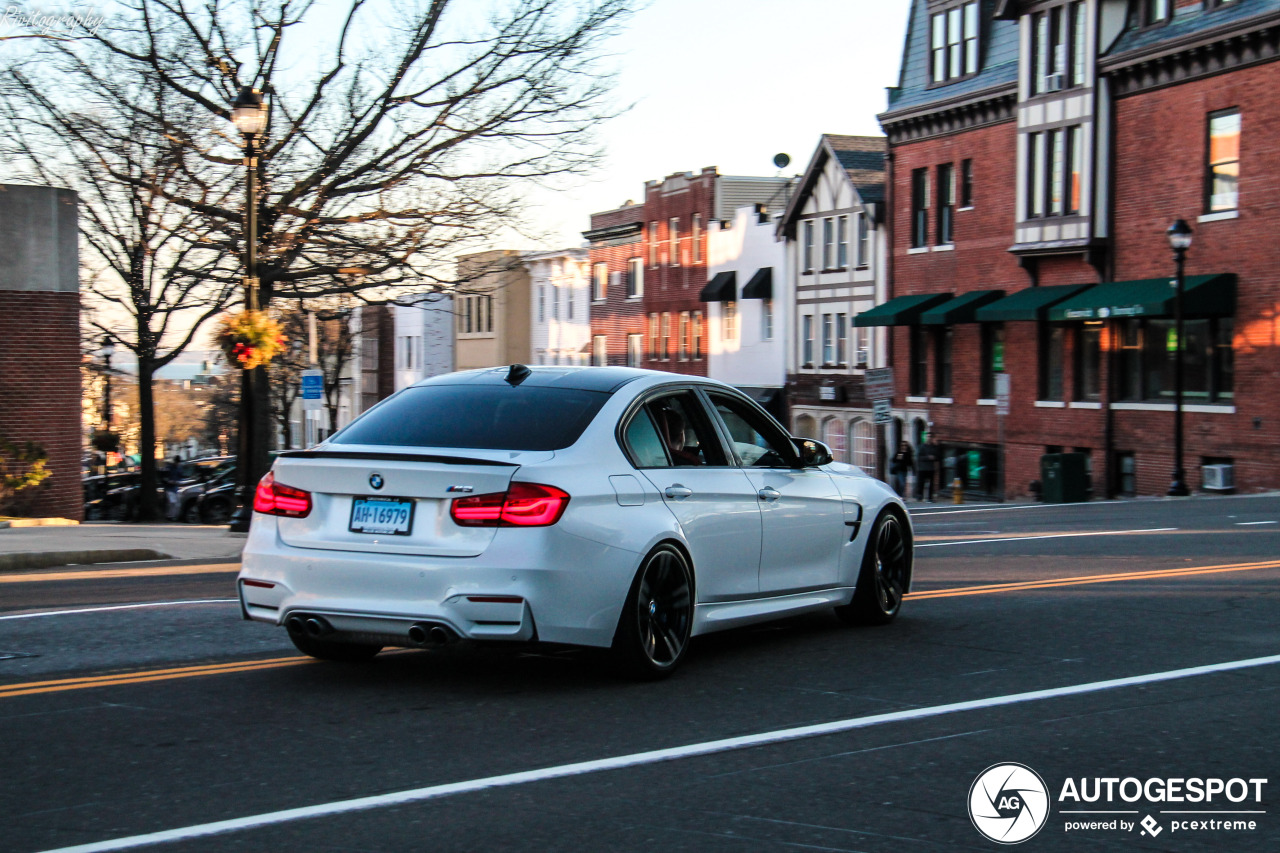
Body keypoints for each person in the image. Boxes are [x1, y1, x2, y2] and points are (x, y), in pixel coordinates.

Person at [916, 435, 940, 502]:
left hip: (931, 468)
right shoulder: (921, 446)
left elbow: (938, 457)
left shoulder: (934, 447)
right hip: (922, 468)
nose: (929, 438)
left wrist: (934, 457)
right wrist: (928, 457)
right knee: (921, 483)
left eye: (930, 437)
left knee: (931, 483)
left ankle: (930, 497)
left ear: (932, 438)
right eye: (928, 437)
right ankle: (920, 496)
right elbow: (918, 457)